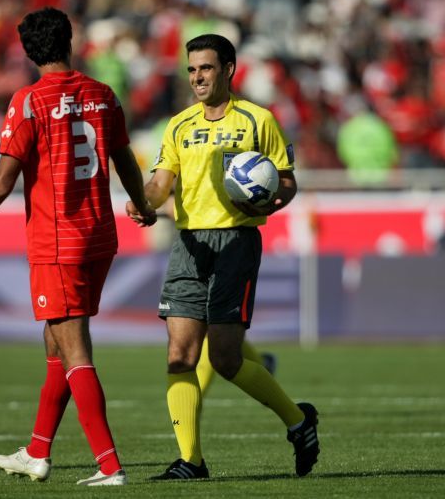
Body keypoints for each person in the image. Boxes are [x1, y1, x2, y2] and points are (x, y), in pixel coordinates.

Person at [0, 7, 156, 487]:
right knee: (57, 345)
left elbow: (3, 181)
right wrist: (143, 204)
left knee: (75, 350)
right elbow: (123, 157)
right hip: (100, 236)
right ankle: (37, 451)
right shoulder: (103, 94)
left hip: (58, 241)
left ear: (28, 52)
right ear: (70, 41)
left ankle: (109, 466)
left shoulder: (29, 101)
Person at [127, 34, 319, 480]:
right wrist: (144, 202)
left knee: (226, 359)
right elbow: (161, 183)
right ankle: (191, 461)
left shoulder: (258, 120)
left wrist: (267, 201)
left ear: (228, 69)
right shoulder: (178, 125)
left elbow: (287, 182)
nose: (197, 77)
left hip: (236, 243)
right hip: (188, 244)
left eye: (206, 68)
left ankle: (299, 420)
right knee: (179, 356)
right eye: (192, 69)